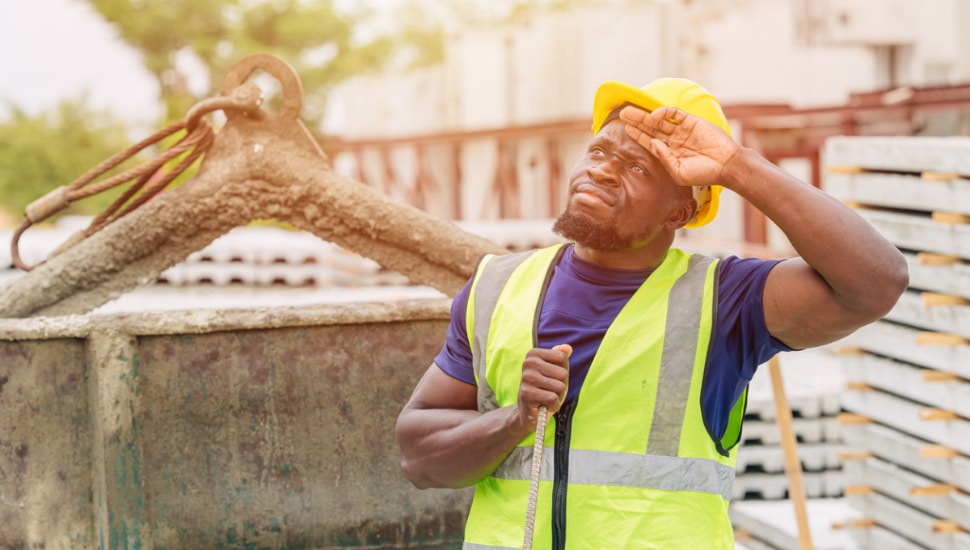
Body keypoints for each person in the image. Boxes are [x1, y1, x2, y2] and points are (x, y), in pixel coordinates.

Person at [395, 77, 908, 549]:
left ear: (680, 212)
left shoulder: (725, 300)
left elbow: (877, 283)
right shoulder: (497, 287)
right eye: (598, 150)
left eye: (637, 167)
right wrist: (513, 421)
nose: (601, 170)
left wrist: (736, 167)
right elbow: (418, 458)